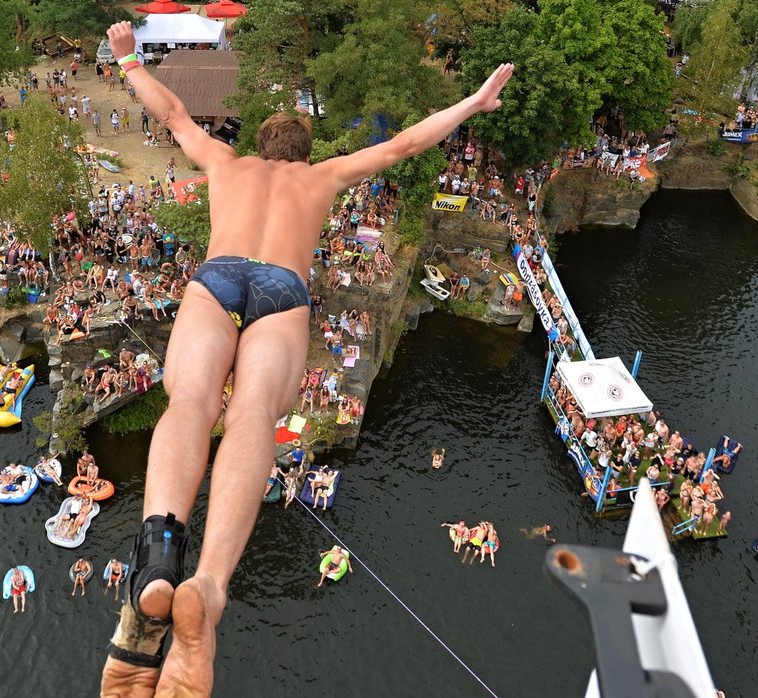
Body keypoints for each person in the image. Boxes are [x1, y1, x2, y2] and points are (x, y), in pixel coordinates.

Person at [100, 21, 512, 695]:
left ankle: (157, 556)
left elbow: (172, 113)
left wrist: (126, 57)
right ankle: (208, 584)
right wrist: (473, 102)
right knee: (254, 412)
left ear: (261, 144)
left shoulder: (227, 164)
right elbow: (406, 143)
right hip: (280, 289)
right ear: (304, 151)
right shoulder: (322, 175)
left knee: (190, 401)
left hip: (219, 275)